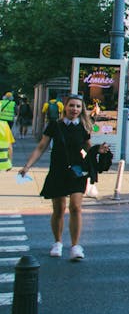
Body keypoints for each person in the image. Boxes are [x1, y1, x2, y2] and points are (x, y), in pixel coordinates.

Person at [17, 94, 110, 262]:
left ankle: (75, 246)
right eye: (72, 106)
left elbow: (89, 149)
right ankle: (58, 242)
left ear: (82, 110)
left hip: (77, 171)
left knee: (76, 207)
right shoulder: (55, 125)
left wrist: (99, 151)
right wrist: (27, 166)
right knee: (59, 209)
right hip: (58, 170)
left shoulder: (83, 127)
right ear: (65, 108)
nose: (74, 109)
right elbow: (41, 147)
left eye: (78, 106)